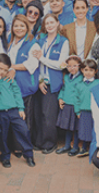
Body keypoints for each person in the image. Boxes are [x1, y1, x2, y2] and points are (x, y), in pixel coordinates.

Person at [32, 14, 70, 154]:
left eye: (52, 22)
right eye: (46, 23)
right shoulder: (40, 41)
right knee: (39, 114)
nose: (49, 25)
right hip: (41, 83)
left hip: (53, 83)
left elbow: (61, 65)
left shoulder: (63, 42)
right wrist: (40, 80)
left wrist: (42, 58)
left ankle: (50, 143)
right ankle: (39, 141)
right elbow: (36, 64)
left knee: (49, 116)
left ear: (58, 23)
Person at [0, 54, 36, 167]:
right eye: (0, 68)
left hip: (13, 110)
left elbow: (17, 93)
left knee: (24, 130)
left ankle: (28, 154)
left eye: (5, 70)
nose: (2, 72)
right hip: (0, 112)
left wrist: (21, 108)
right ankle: (5, 156)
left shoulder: (9, 79)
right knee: (3, 135)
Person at [7, 14, 41, 144]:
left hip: (26, 87)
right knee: (14, 118)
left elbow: (31, 64)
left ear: (27, 27)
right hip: (11, 87)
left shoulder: (33, 44)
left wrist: (11, 67)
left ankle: (24, 146)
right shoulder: (10, 41)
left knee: (25, 119)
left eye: (22, 25)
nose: (19, 28)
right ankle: (14, 144)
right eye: (16, 26)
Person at [56, 55, 84, 156]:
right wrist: (60, 98)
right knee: (67, 127)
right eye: (69, 66)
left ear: (79, 66)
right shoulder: (67, 77)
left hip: (76, 106)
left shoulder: (82, 78)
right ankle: (67, 145)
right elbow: (63, 89)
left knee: (75, 128)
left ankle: (75, 147)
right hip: (67, 104)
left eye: (74, 66)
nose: (72, 68)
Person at [74, 59, 99, 157]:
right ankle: (84, 148)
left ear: (95, 71)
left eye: (91, 70)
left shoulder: (98, 83)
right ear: (81, 70)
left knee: (95, 129)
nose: (88, 73)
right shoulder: (79, 85)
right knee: (85, 130)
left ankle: (95, 148)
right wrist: (77, 111)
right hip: (84, 111)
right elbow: (76, 99)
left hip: (95, 112)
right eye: (86, 70)